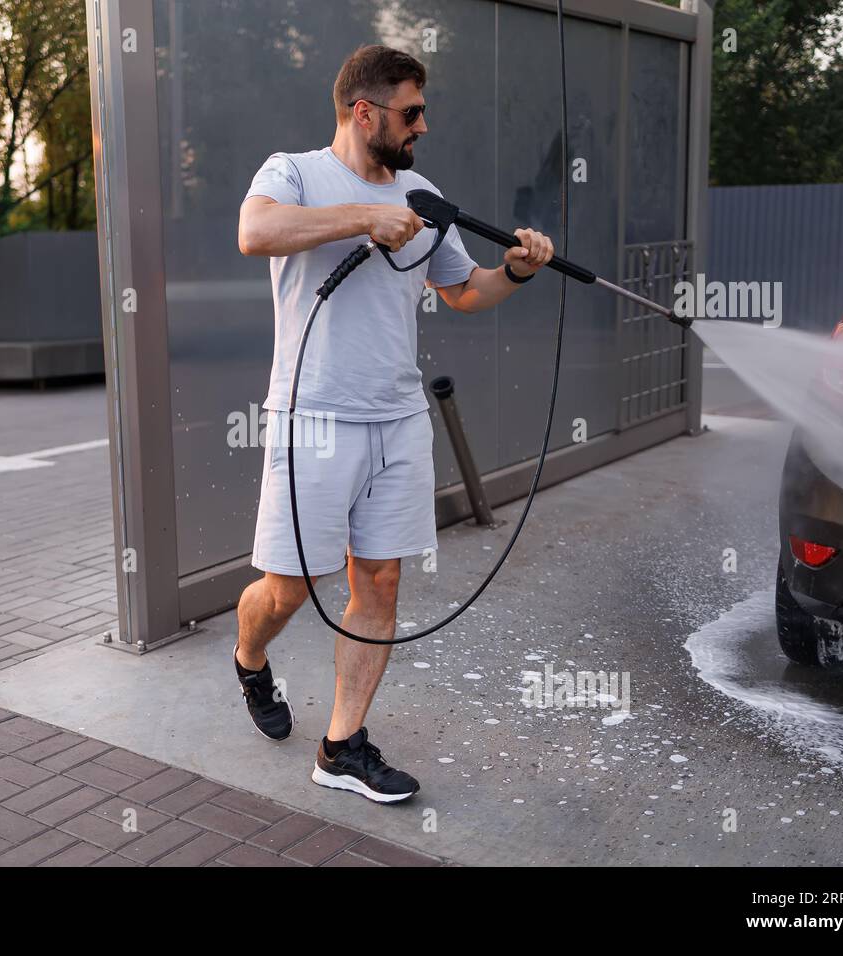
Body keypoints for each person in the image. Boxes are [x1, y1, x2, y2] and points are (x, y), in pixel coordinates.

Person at [235, 44, 554, 803]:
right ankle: (250, 660)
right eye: (412, 112)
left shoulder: (423, 190)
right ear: (364, 111)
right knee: (288, 589)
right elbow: (255, 233)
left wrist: (514, 270)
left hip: (398, 420)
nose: (423, 125)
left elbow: (464, 292)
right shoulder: (294, 172)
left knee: (379, 579)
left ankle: (341, 746)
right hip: (312, 418)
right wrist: (365, 218)